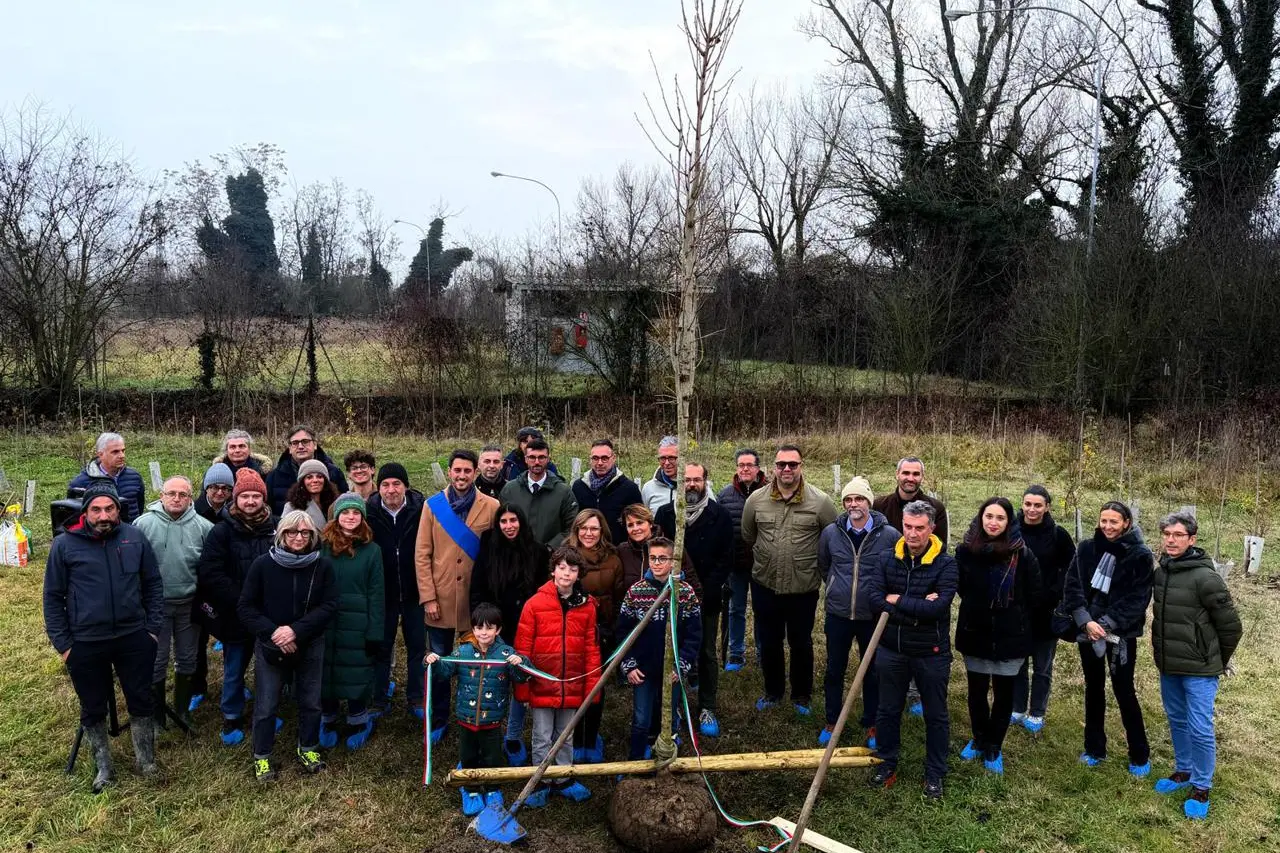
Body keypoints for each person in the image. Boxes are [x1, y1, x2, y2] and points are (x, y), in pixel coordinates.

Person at [44, 481, 164, 792]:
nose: (104, 515)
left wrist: (151, 630)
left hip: (134, 636)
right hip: (85, 641)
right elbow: (53, 597)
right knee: (93, 706)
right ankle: (104, 767)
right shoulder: (65, 545)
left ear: (118, 510)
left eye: (109, 508)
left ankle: (146, 761)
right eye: (96, 509)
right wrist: (64, 645)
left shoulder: (135, 538)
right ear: (86, 512)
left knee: (141, 699)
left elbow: (152, 585)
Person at [1150, 511, 1243, 820]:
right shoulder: (1161, 572)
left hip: (1200, 670)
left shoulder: (1206, 578)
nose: (1171, 540)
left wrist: (1215, 659)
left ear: (1192, 539)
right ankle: (1183, 770)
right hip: (1170, 665)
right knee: (1177, 719)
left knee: (1200, 727)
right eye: (1167, 535)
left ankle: (1202, 786)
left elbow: (1231, 627)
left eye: (1178, 535)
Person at [236, 511, 339, 782]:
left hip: (310, 642)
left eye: (305, 533)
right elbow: (246, 607)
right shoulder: (262, 565)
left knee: (311, 701)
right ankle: (262, 755)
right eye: (292, 532)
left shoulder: (322, 566)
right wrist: (274, 633)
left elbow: (329, 605)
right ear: (281, 534)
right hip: (270, 646)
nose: (298, 537)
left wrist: (296, 631)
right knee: (266, 704)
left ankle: (308, 747)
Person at [865, 500, 958, 800]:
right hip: (892, 649)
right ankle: (886, 762)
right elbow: (874, 599)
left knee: (936, 715)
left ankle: (935, 773)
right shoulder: (885, 559)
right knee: (888, 709)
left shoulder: (946, 564)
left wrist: (898, 601)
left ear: (931, 528)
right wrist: (917, 609)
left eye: (920, 528)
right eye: (907, 527)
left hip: (931, 653)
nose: (913, 534)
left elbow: (939, 607)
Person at [741, 445, 837, 714]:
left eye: (792, 465)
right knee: (769, 642)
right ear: (773, 467)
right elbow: (749, 536)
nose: (786, 469)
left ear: (801, 466)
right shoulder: (756, 501)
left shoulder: (821, 502)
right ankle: (773, 692)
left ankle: (801, 695)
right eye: (781, 464)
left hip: (802, 587)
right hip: (765, 585)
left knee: (801, 642)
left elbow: (831, 539)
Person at [1060, 501, 1153, 776]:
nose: (1108, 527)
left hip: (1120, 635)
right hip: (1087, 630)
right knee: (1093, 688)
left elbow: (1138, 599)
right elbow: (1072, 585)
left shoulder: (1140, 555)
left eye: (1114, 522)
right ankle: (1094, 748)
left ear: (1126, 523)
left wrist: (1106, 623)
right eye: (1104, 521)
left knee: (1124, 691)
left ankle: (1139, 754)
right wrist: (1084, 620)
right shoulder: (1087, 548)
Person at [954, 497, 1043, 775]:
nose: (993, 523)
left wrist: (1014, 618)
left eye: (1000, 518)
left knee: (1004, 695)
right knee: (977, 692)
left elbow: (1034, 594)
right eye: (989, 516)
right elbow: (961, 588)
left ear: (1009, 522)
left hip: (1010, 635)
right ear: (981, 518)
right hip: (976, 631)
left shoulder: (1022, 554)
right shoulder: (965, 550)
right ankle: (979, 739)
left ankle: (994, 745)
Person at [417, 449, 499, 743]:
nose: (462, 476)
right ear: (449, 472)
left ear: (475, 473)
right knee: (438, 663)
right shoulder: (432, 506)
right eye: (457, 470)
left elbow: (493, 556)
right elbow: (422, 554)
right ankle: (437, 717)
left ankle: (472, 716)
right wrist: (428, 597)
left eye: (467, 471)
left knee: (473, 666)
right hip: (439, 599)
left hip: (474, 603)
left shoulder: (491, 506)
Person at [197, 467, 278, 746]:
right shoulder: (221, 531)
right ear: (236, 499)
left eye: (256, 496)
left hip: (269, 613)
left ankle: (268, 711)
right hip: (236, 614)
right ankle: (232, 715)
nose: (251, 501)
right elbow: (211, 572)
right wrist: (242, 600)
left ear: (263, 499)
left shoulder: (276, 528)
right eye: (245, 496)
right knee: (234, 667)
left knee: (270, 666)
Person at [816, 476, 899, 748]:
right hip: (838, 613)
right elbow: (824, 566)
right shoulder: (831, 533)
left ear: (869, 502)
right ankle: (832, 720)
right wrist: (836, 589)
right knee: (834, 670)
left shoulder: (889, 535)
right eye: (849, 500)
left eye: (860, 499)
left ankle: (872, 723)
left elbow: (895, 571)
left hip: (872, 616)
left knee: (873, 671)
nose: (854, 504)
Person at [425, 603, 530, 816]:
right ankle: (471, 789)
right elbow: (445, 671)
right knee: (469, 756)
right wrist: (435, 662)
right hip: (466, 718)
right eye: (479, 628)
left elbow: (523, 676)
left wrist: (520, 662)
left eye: (489, 628)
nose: (484, 632)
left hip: (492, 720)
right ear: (473, 629)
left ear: (498, 630)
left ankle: (492, 789)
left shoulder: (506, 653)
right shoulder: (463, 651)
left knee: (493, 757)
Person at [513, 546, 600, 805]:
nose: (566, 574)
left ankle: (563, 777)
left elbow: (591, 650)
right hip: (542, 684)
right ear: (553, 570)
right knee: (541, 734)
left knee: (566, 733)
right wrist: (523, 688)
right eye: (562, 568)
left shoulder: (587, 607)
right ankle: (540, 778)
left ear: (578, 575)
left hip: (571, 684)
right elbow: (523, 650)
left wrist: (591, 688)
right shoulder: (534, 605)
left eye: (573, 570)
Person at [469, 503, 550, 764]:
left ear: (521, 522)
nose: (508, 526)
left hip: (526, 627)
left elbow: (541, 592)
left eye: (513, 520)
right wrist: (483, 622)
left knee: (519, 682)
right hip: (495, 627)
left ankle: (512, 734)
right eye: (503, 521)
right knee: (492, 681)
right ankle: (488, 732)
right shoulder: (489, 550)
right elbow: (478, 587)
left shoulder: (536, 552)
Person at [656, 463, 733, 738]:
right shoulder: (666, 515)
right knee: (671, 651)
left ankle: (707, 706)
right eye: (686, 479)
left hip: (707, 598)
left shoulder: (719, 515)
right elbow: (658, 553)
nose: (691, 484)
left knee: (706, 651)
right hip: (671, 595)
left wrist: (704, 592)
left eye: (696, 479)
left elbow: (726, 557)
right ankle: (673, 705)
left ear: (705, 481)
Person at [134, 475, 213, 730]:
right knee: (156, 660)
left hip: (189, 605)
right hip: (156, 606)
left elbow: (210, 568)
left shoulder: (203, 527)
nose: (177, 499)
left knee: (188, 658)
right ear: (162, 496)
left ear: (191, 498)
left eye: (183, 494)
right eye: (171, 494)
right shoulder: (143, 525)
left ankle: (182, 711)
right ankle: (157, 716)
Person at [616, 537, 702, 760]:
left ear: (674, 561)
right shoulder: (636, 593)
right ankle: (636, 760)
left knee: (669, 714)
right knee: (641, 717)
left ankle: (667, 758)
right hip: (642, 669)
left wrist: (681, 665)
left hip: (671, 672)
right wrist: (629, 665)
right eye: (652, 558)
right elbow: (624, 633)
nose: (656, 563)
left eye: (662, 558)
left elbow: (694, 635)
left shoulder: (685, 593)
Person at [319, 493, 385, 750]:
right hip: (327, 619)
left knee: (356, 670)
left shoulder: (372, 551)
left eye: (356, 513)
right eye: (345, 513)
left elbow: (377, 593)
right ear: (337, 517)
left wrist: (374, 631)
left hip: (358, 622)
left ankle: (358, 718)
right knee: (327, 669)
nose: (350, 517)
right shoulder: (322, 546)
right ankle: (328, 717)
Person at [1011, 484, 1076, 734]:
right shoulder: (1012, 531)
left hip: (1046, 611)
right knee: (1017, 663)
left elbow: (1071, 571)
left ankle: (1037, 712)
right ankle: (1017, 708)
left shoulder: (1059, 535)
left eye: (1038, 505)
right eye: (1028, 504)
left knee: (1042, 666)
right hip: (1017, 609)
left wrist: (1055, 596)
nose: (1032, 509)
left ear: (1047, 507)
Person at [366, 462, 426, 718]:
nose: (391, 490)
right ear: (378, 488)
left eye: (396, 484)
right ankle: (378, 698)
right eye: (385, 485)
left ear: (406, 486)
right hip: (384, 593)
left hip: (414, 592)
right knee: (382, 646)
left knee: (416, 646)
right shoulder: (368, 513)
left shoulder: (422, 510)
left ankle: (416, 697)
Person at [566, 509, 626, 763]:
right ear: (576, 530)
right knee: (574, 684)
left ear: (602, 531)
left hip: (603, 630)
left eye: (594, 529)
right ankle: (574, 737)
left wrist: (611, 627)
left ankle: (591, 738)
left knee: (596, 685)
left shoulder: (613, 558)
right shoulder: (565, 557)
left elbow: (619, 593)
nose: (588, 534)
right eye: (584, 528)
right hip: (572, 631)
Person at [190, 463, 235, 710]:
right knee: (197, 639)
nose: (220, 493)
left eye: (226, 488)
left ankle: (234, 683)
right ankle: (197, 686)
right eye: (215, 487)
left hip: (226, 583)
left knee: (230, 636)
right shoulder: (194, 511)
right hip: (199, 584)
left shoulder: (234, 512)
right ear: (206, 488)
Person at [717, 448, 766, 671]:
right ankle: (736, 654)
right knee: (735, 610)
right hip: (735, 565)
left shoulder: (769, 492)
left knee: (762, 610)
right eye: (741, 465)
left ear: (758, 468)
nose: (745, 469)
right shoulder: (725, 495)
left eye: (749, 465)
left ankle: (762, 652)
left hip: (762, 565)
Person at [498, 438, 578, 548]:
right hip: (517, 557)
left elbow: (572, 528)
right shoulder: (510, 490)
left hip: (551, 558)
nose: (536, 462)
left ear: (548, 459)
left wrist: (550, 548)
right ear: (525, 459)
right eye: (532, 457)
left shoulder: (563, 492)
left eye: (541, 457)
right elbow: (500, 524)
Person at [572, 437, 643, 547]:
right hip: (585, 552)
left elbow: (639, 524)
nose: (599, 463)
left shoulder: (629, 489)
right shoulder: (579, 487)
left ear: (613, 458)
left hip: (617, 552)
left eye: (604, 458)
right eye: (595, 458)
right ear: (590, 459)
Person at [617, 503, 699, 594]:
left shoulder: (672, 548)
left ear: (650, 524)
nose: (636, 528)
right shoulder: (623, 550)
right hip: (632, 605)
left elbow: (693, 584)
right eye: (630, 525)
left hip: (667, 606)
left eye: (640, 523)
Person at [264, 424, 348, 514]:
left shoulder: (333, 472)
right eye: (295, 443)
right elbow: (268, 511)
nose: (300, 446)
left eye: (305, 441)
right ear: (290, 448)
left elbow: (346, 506)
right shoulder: (274, 477)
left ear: (315, 445)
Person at [69, 432, 146, 523]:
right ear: (100, 454)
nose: (122, 455)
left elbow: (140, 506)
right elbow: (75, 517)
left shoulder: (134, 477)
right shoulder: (81, 483)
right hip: (99, 534)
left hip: (130, 534)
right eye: (115, 452)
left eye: (123, 450)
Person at [872, 457, 948, 549]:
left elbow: (940, 546)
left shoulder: (936, 508)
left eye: (916, 474)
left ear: (922, 477)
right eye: (906, 473)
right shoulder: (879, 505)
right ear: (897, 474)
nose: (910, 478)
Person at [283, 460, 340, 531]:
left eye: (319, 476)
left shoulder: (336, 505)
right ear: (302, 482)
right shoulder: (291, 507)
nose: (315, 480)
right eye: (309, 477)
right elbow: (284, 534)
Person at [640, 436, 680, 513]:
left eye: (671, 458)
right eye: (663, 458)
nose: (667, 463)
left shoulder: (695, 485)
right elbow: (644, 519)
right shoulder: (648, 488)